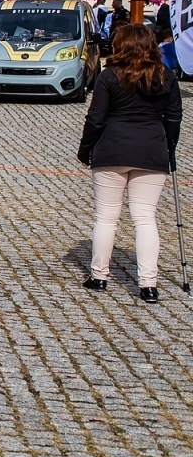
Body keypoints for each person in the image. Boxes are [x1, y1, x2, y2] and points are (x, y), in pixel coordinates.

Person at [78, 23, 182, 303]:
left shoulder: (109, 76)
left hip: (112, 149)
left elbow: (95, 119)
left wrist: (84, 149)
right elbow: (174, 118)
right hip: (151, 149)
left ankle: (99, 276)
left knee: (106, 217)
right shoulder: (166, 76)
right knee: (145, 218)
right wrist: (169, 148)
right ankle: (148, 284)